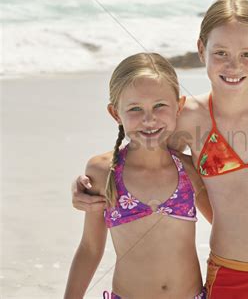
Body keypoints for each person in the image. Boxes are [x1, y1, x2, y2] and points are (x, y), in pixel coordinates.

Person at [73, 0, 248, 298]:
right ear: (202, 50)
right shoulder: (186, 119)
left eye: (247, 54)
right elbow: (138, 154)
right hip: (233, 273)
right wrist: (85, 186)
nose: (234, 65)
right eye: (221, 52)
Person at [64, 53, 211, 298]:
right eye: (135, 108)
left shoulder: (189, 169)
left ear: (179, 106)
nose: (149, 118)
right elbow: (90, 248)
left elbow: (225, 227)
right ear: (115, 114)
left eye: (159, 106)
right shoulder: (104, 172)